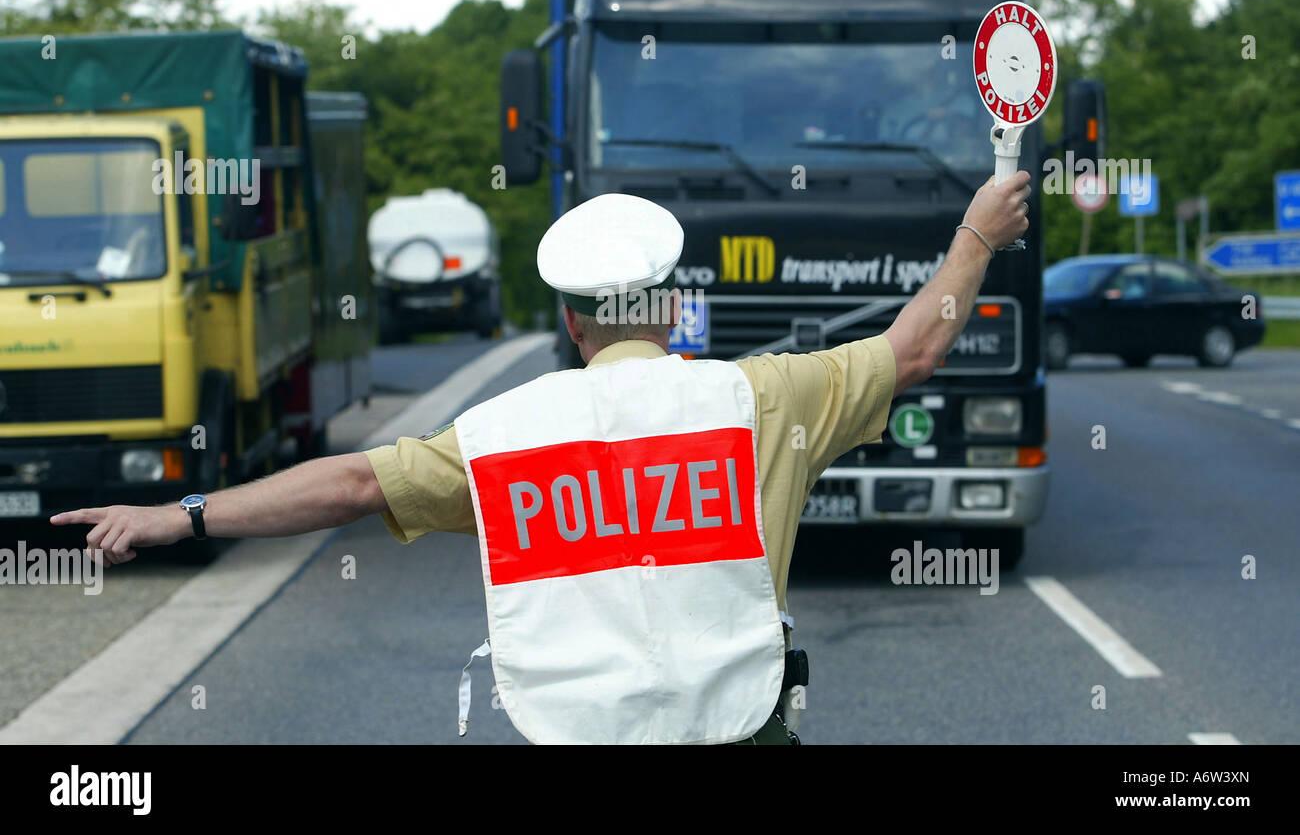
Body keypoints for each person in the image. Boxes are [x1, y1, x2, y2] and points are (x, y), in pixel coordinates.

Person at [51, 172, 1032, 745]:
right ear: (670, 301)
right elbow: (916, 346)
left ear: (567, 319)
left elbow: (349, 483)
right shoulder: (759, 398)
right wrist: (976, 230)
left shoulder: (501, 432)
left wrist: (175, 515)